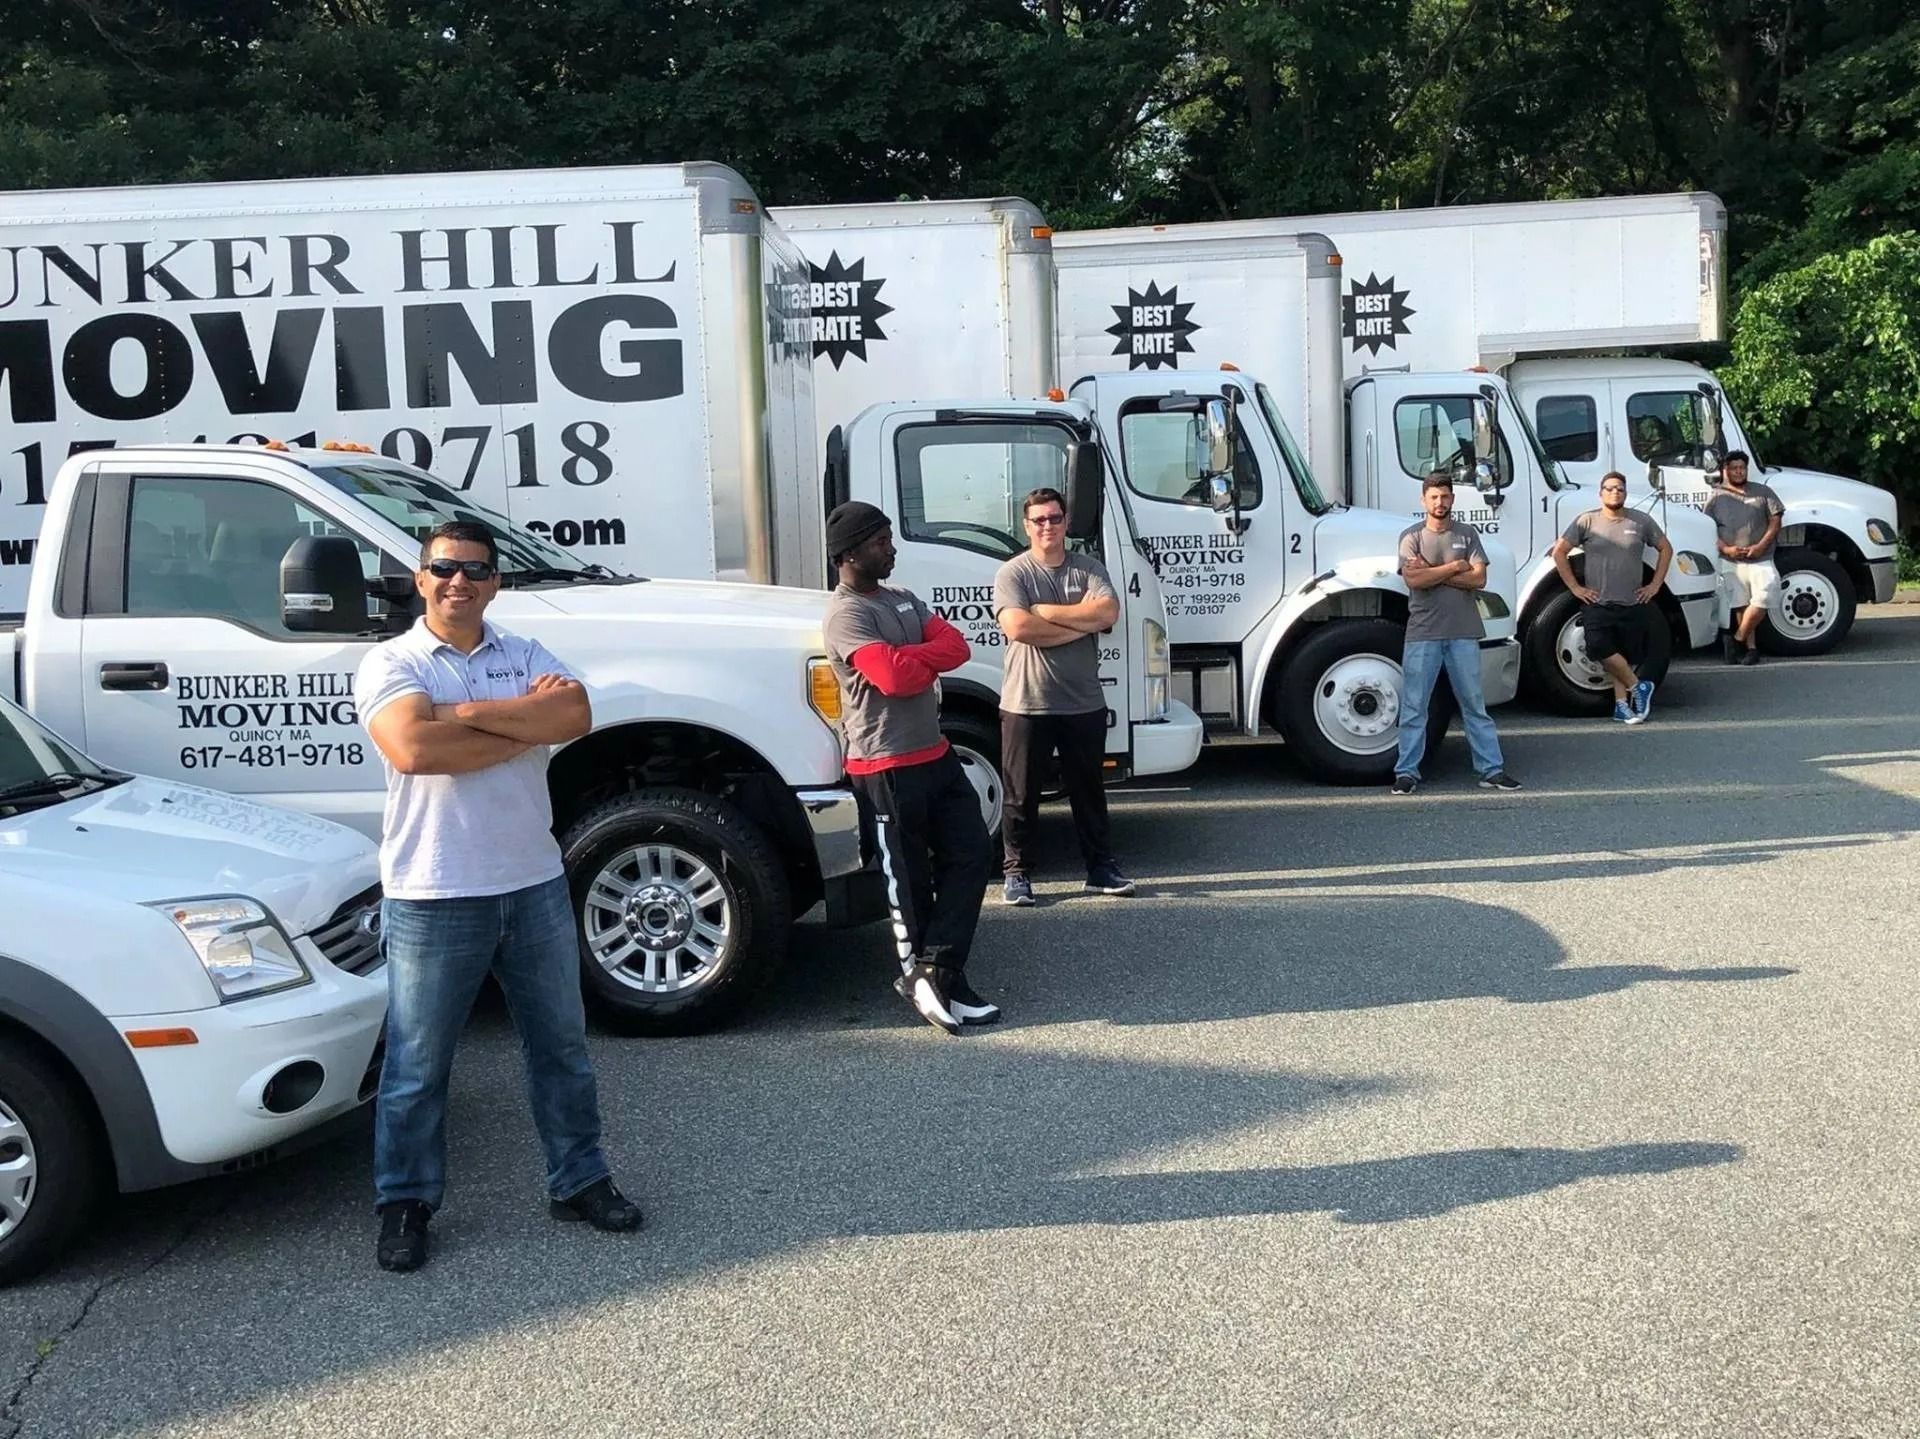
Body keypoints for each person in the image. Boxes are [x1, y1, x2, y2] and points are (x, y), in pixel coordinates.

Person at [354, 521, 640, 1275]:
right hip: (433, 890)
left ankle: (579, 1179)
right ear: (420, 579)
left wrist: (461, 715)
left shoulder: (522, 653)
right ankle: (405, 1203)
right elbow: (412, 749)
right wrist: (520, 721)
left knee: (562, 1051)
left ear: (495, 583)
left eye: (476, 570)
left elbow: (574, 716)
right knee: (417, 1064)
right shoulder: (394, 659)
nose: (460, 581)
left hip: (533, 883)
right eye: (444, 568)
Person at [821, 500, 998, 1035]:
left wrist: (910, 661)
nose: (891, 548)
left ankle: (938, 971)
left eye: (889, 538)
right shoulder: (846, 615)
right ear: (849, 554)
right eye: (880, 542)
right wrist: (917, 660)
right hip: (885, 764)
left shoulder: (902, 599)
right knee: (910, 881)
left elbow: (957, 646)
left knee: (972, 856)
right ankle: (930, 979)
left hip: (935, 753)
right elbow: (893, 681)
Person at [992, 487, 1135, 905]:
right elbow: (1019, 628)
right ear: (1026, 525)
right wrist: (1080, 622)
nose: (1048, 526)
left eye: (1055, 518)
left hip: (1083, 703)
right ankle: (1017, 874)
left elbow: (1108, 613)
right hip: (1025, 703)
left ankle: (1101, 870)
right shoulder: (1013, 574)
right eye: (1039, 520)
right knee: (1020, 795)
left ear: (1066, 522)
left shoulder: (1088, 568)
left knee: (1089, 792)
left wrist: (1046, 611)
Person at [1391, 471, 1522, 795]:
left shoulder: (1467, 534)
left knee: (1474, 705)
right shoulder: (1411, 537)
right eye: (1434, 497)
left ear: (1452, 498)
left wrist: (1432, 572)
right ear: (1424, 500)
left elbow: (1479, 580)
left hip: (1464, 633)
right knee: (1414, 706)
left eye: (1445, 496)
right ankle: (1407, 773)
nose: (1440, 502)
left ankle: (1491, 770)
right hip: (1423, 634)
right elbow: (1413, 581)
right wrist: (1453, 567)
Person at [1550, 471, 1673, 724]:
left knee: (1622, 657)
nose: (1614, 492)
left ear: (1625, 493)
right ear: (1600, 493)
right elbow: (1559, 552)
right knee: (1598, 647)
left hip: (1632, 601)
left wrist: (1655, 585)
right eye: (1609, 488)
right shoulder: (1587, 521)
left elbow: (1665, 549)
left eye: (1619, 488)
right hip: (1597, 602)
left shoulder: (1641, 521)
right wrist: (1575, 587)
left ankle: (1620, 705)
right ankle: (1639, 687)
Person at [1705, 451, 1784, 666]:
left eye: (1742, 467)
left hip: (1761, 557)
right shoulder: (1716, 497)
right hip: (1731, 559)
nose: (1739, 471)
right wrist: (1726, 549)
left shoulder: (1763, 492)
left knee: (1765, 596)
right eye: (1734, 468)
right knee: (1741, 604)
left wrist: (1760, 546)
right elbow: (1708, 530)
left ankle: (1736, 638)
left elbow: (1775, 522)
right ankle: (1751, 649)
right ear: (1725, 470)